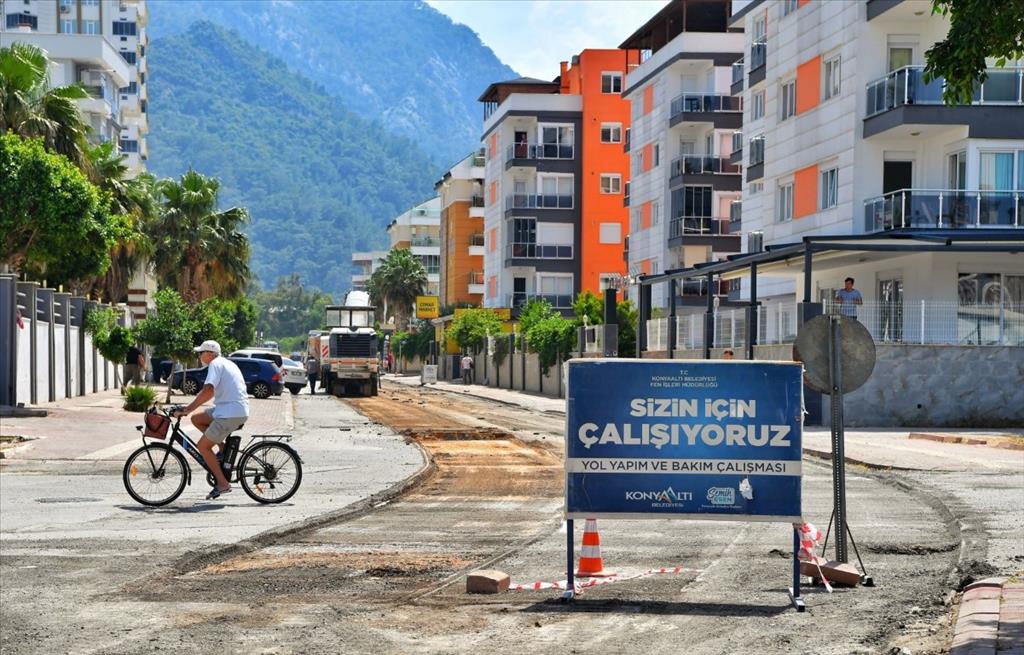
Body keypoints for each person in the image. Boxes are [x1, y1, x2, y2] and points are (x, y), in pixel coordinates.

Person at [172, 340, 249, 500]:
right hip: (230, 409)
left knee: (203, 446)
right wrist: (190, 409)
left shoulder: (215, 364)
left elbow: (208, 391)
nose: (199, 356)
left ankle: (223, 483)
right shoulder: (225, 363)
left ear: (209, 354)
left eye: (201, 353)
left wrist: (187, 409)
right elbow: (210, 392)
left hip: (229, 413)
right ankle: (223, 449)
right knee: (197, 419)